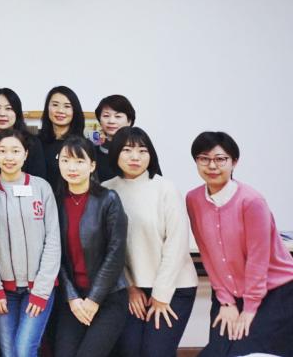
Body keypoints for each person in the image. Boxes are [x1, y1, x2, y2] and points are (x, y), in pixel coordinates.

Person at [185, 131, 293, 357]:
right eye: (204, 159)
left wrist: (249, 309)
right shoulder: (193, 199)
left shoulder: (251, 201)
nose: (212, 166)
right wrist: (226, 301)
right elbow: (208, 254)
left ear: (234, 162)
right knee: (216, 353)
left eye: (220, 159)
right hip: (229, 292)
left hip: (274, 291)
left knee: (247, 352)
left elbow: (258, 260)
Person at [102, 127, 197, 357]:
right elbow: (107, 248)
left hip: (173, 286)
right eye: (127, 150)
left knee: (155, 352)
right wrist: (130, 287)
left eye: (142, 151)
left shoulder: (165, 188)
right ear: (115, 153)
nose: (135, 157)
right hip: (131, 288)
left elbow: (176, 244)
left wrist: (161, 295)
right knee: (130, 351)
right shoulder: (105, 190)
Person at [0, 129, 59, 357]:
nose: (9, 157)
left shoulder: (42, 187)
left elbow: (53, 240)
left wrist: (41, 290)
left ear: (26, 154)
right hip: (4, 290)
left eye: (15, 151)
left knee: (24, 350)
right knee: (9, 353)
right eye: (3, 151)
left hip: (39, 287)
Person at [54, 136, 128, 357]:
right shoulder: (55, 201)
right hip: (73, 298)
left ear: (92, 165)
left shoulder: (108, 199)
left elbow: (116, 253)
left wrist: (94, 299)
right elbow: (53, 254)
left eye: (79, 161)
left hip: (108, 297)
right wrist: (72, 297)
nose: (72, 168)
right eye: (66, 160)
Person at [39, 86, 85, 183]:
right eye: (55, 105)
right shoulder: (35, 143)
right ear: (47, 108)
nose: (60, 110)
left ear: (75, 110)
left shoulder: (84, 145)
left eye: (67, 106)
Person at [93, 95, 135, 182]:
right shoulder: (92, 151)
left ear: (129, 121)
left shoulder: (140, 149)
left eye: (118, 116)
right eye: (106, 116)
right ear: (99, 120)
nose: (111, 121)